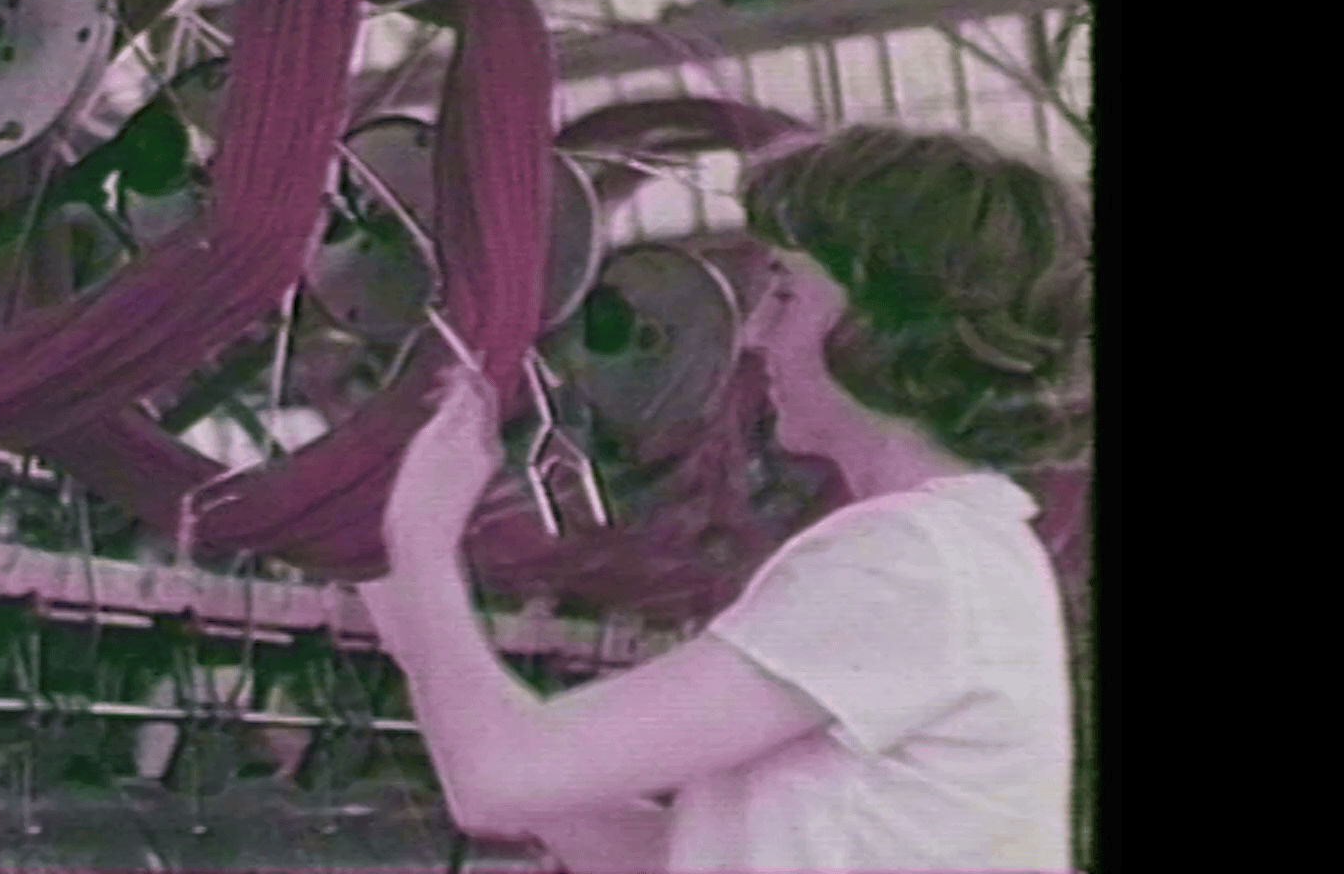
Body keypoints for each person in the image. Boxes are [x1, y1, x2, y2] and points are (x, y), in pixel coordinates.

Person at [359, 123, 1091, 873]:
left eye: (783, 289)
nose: (752, 334)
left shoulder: (907, 560)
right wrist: (412, 613)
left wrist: (420, 538)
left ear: (887, 321)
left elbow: (502, 782)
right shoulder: (957, 553)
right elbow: (672, 855)